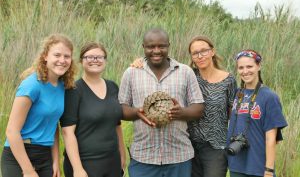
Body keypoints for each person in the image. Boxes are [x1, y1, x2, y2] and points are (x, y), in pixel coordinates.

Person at [119, 28, 205, 177]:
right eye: (151, 47)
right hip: (143, 157)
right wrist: (138, 112)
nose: (156, 51)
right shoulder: (131, 73)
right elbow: (122, 108)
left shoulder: (185, 72)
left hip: (179, 156)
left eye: (162, 46)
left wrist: (181, 112)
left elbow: (199, 108)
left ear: (168, 46)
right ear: (143, 47)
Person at [1, 34, 76, 177]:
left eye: (67, 56)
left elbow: (53, 125)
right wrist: (28, 171)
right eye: (57, 55)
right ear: (45, 56)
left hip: (44, 156)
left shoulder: (63, 86)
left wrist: (55, 160)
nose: (62, 60)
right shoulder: (32, 85)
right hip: (19, 155)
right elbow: (11, 131)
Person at [60, 42, 126, 177]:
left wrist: (122, 155)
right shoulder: (73, 90)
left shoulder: (113, 86)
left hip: (112, 161)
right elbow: (67, 132)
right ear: (81, 60)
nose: (95, 60)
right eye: (89, 57)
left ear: (105, 60)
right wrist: (78, 169)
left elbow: (116, 125)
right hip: (86, 163)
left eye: (99, 57)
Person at [227, 50, 288, 177]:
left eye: (249, 66)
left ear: (259, 66)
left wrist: (269, 170)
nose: (245, 71)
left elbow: (271, 139)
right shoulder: (237, 94)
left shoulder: (269, 97)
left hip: (259, 168)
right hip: (236, 165)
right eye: (241, 67)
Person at [186, 36, 237, 177]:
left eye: (204, 51)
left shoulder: (229, 80)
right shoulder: (188, 77)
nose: (200, 56)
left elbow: (233, 114)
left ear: (212, 52)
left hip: (216, 147)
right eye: (195, 53)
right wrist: (141, 62)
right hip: (189, 145)